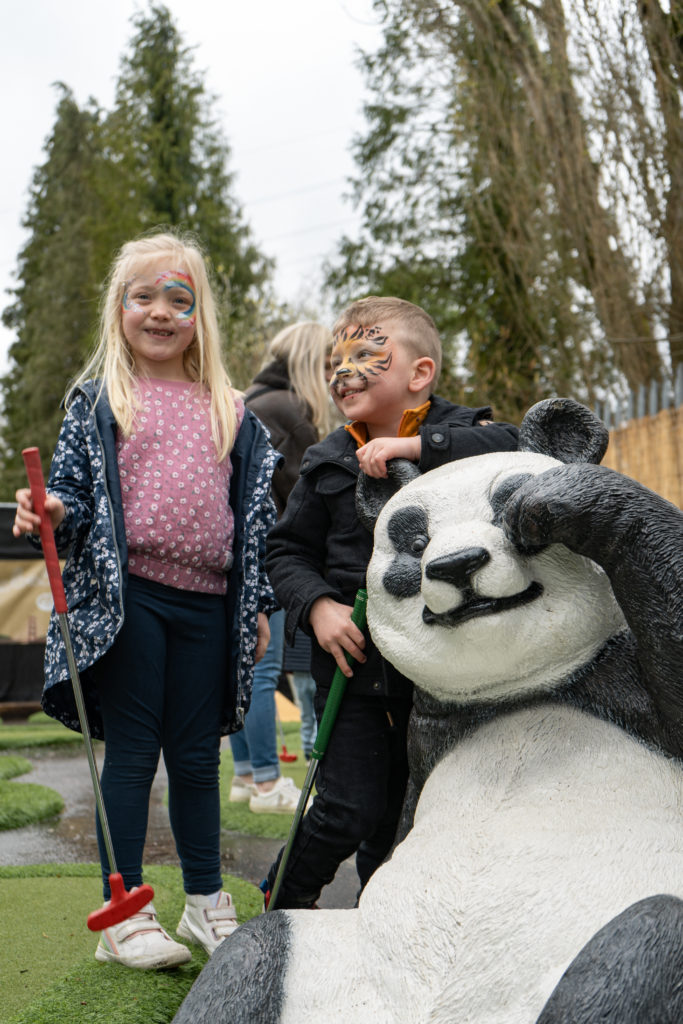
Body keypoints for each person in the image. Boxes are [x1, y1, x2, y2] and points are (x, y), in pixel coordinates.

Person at [13, 231, 280, 969]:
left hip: (210, 604)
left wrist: (253, 603)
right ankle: (123, 913)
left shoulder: (230, 409)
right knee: (132, 755)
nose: (160, 312)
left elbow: (252, 519)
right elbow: (66, 491)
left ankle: (204, 903)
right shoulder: (99, 402)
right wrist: (50, 510)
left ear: (199, 315)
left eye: (179, 299)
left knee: (197, 759)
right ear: (120, 307)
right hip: (129, 601)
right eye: (144, 297)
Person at [261, 295, 519, 909]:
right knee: (348, 807)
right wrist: (318, 607)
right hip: (354, 671)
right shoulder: (325, 459)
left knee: (406, 819)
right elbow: (285, 552)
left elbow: (518, 444)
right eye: (334, 359)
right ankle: (281, 906)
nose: (343, 371)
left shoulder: (467, 432)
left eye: (366, 354)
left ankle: (381, 923)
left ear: (419, 374)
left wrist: (415, 450)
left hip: (440, 673)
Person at [228, 322, 333, 810]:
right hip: (265, 557)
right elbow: (303, 496)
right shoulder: (289, 411)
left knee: (245, 669)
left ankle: (247, 776)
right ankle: (269, 783)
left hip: (232, 555)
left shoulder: (252, 400)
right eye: (330, 363)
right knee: (264, 673)